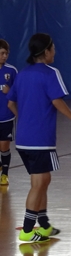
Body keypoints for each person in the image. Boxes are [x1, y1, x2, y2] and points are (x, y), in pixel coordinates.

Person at [7, 33, 71, 243]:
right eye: (53, 48)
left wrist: (23, 119)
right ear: (46, 52)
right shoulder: (51, 73)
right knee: (39, 182)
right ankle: (27, 230)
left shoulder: (23, 74)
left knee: (42, 180)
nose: (55, 52)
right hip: (40, 139)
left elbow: (10, 103)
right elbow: (57, 101)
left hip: (24, 139)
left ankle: (43, 224)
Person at [0, 39, 17, 187]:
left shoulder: (11, 71)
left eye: (6, 53)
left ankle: (4, 174)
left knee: (4, 145)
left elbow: (18, 93)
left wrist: (9, 91)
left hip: (6, 116)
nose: (4, 56)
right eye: (2, 53)